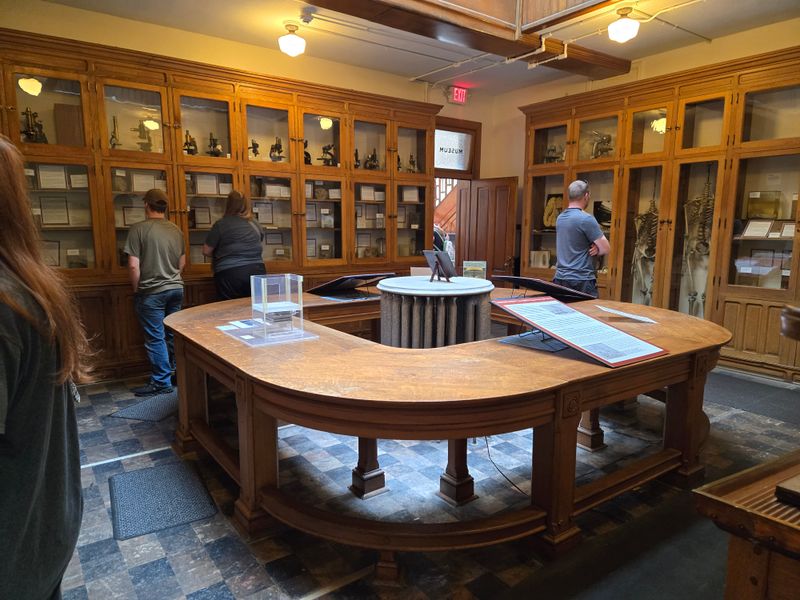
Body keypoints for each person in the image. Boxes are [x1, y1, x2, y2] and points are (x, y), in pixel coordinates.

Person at [0, 135, 92, 599]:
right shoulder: (30, 286)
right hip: (42, 530)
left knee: (156, 339)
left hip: (16, 550)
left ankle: (160, 380)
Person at [124, 189, 185, 397]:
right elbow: (182, 261)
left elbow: (133, 266)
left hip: (151, 291)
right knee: (170, 333)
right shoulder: (176, 229)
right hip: (176, 288)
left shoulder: (138, 229)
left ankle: (161, 382)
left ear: (146, 205)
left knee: (155, 337)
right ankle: (174, 374)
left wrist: (136, 290)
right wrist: (171, 277)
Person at [202, 190, 266, 300]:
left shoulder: (221, 224)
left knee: (230, 311)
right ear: (246, 204)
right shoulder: (254, 223)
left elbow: (206, 251)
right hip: (257, 271)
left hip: (230, 274)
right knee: (256, 309)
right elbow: (259, 241)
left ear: (228, 205)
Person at [554, 179, 610, 298]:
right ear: (586, 196)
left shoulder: (560, 218)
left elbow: (575, 241)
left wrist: (595, 246)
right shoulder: (586, 219)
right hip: (581, 281)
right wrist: (598, 248)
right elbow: (605, 248)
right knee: (586, 316)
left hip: (560, 279)